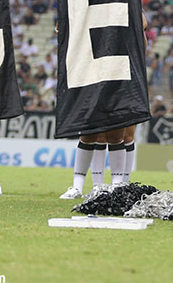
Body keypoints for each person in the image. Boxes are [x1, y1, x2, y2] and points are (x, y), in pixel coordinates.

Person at [60, 12, 148, 199]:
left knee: (122, 133)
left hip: (122, 73)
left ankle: (120, 184)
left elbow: (143, 37)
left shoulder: (127, 3)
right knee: (90, 132)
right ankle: (83, 186)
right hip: (93, 73)